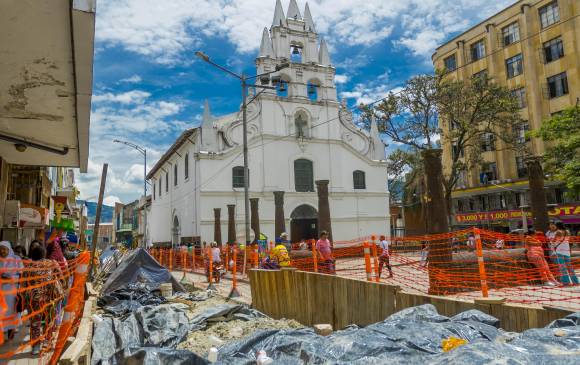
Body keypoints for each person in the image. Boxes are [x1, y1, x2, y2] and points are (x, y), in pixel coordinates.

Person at [26, 242, 63, 355]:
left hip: (34, 299)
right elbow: (61, 277)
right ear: (44, 253)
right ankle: (47, 341)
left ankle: (36, 346)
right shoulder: (52, 263)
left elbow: (23, 284)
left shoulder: (28, 266)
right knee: (49, 319)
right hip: (50, 297)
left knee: (35, 323)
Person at [0, 241, 23, 341]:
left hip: (12, 292)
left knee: (11, 312)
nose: (2, 251)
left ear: (9, 249)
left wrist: (10, 278)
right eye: (1, 249)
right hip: (1, 291)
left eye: (4, 249)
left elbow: (21, 273)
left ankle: (10, 332)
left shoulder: (16, 259)